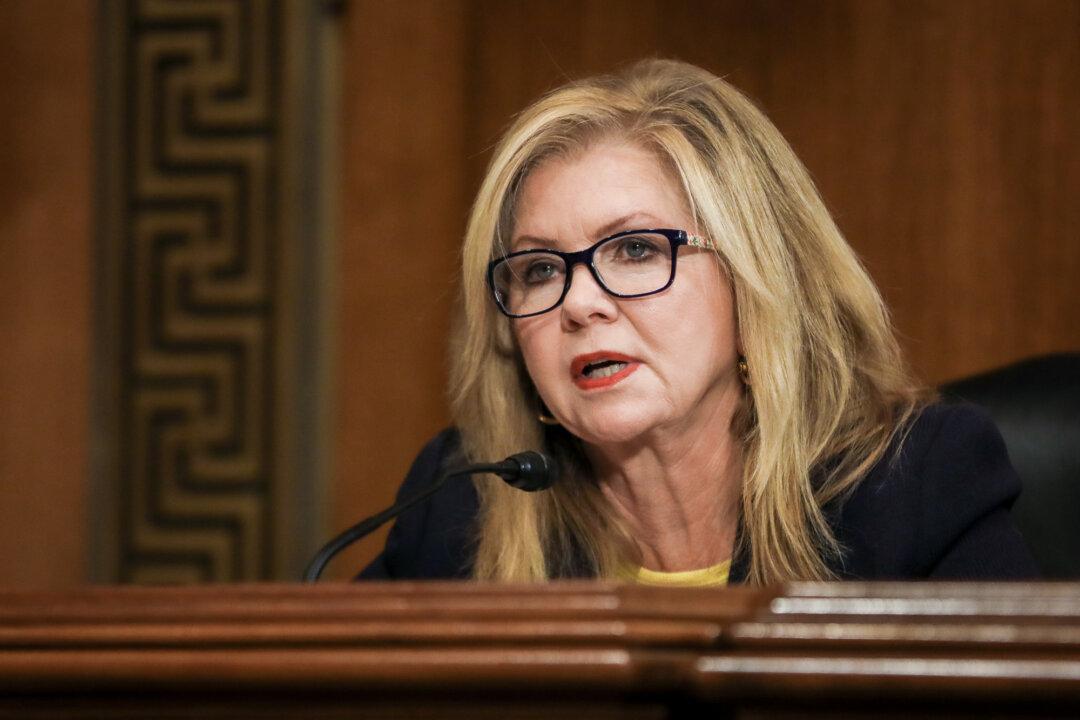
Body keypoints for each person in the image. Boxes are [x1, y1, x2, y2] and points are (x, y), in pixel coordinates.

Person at [360, 59, 1037, 585]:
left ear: (755, 278)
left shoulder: (913, 486)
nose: (578, 303)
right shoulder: (456, 508)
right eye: (539, 269)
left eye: (634, 250)